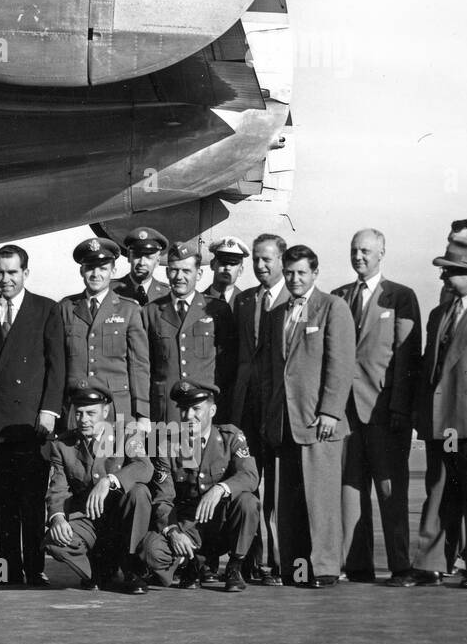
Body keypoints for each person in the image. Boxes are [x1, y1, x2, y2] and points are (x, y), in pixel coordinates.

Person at [406, 235, 467, 588]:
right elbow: (429, 366)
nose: (443, 278)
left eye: (449, 272)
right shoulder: (440, 313)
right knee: (439, 490)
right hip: (443, 422)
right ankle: (430, 563)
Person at [331, 229, 421, 584]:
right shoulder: (339, 297)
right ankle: (357, 566)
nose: (359, 257)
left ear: (382, 253)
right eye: (354, 251)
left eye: (366, 251)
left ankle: (401, 566)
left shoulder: (400, 297)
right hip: (346, 413)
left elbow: (406, 357)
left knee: (389, 490)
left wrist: (401, 408)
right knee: (350, 491)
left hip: (384, 411)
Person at [263, 244, 356, 588]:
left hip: (319, 421)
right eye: (289, 273)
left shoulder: (332, 307)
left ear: (315, 273)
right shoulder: (277, 314)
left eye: (302, 273)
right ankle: (297, 569)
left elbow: (341, 364)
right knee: (288, 503)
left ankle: (325, 569)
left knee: (321, 500)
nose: (295, 279)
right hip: (285, 422)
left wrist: (330, 411)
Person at [0, 244, 65, 589]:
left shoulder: (46, 309)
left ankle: (35, 570)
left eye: (12, 272)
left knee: (32, 503)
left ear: (26, 273)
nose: (5, 279)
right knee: (3, 506)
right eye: (0, 272)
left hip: (33, 423)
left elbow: (57, 366)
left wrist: (50, 410)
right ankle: (4, 571)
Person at [141, 382, 259, 592]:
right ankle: (189, 564)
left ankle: (235, 566)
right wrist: (174, 532)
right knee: (152, 551)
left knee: (248, 502)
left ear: (212, 410)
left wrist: (220, 488)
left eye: (196, 409)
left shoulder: (230, 437)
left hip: (223, 524)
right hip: (189, 526)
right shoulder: (167, 445)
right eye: (184, 409)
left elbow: (249, 475)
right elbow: (162, 498)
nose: (188, 416)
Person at [44, 379, 154, 593]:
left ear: (105, 412)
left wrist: (110, 480)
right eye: (79, 413)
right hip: (88, 522)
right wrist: (57, 518)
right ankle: (99, 570)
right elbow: (58, 488)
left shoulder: (127, 433)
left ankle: (131, 567)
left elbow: (144, 466)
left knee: (140, 492)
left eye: (90, 413)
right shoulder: (62, 446)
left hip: (121, 520)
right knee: (54, 540)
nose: (83, 420)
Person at [231, 232, 290, 584]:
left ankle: (278, 562)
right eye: (255, 258)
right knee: (250, 484)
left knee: (278, 489)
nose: (260, 265)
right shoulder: (245, 301)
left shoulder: (292, 299)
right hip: (247, 408)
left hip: (279, 408)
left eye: (267, 259)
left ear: (282, 260)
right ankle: (251, 559)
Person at [142, 241, 236, 426]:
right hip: (166, 408)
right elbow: (144, 365)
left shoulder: (218, 310)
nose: (179, 277)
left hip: (205, 410)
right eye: (174, 270)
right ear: (167, 273)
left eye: (186, 271)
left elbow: (228, 365)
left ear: (199, 274)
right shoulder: (150, 311)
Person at [59, 237, 149, 427]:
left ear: (113, 271)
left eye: (103, 268)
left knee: (115, 455)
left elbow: (139, 365)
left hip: (116, 408)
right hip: (76, 408)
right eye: (90, 267)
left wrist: (142, 414)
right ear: (81, 270)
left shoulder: (129, 310)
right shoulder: (66, 308)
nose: (96, 274)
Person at [111, 227, 170, 304]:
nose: (142, 263)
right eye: (137, 256)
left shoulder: (167, 294)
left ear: (157, 261)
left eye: (148, 257)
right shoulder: (110, 290)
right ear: (129, 257)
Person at [204, 236, 249, 305]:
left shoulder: (247, 304)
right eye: (223, 262)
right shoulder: (195, 301)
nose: (227, 268)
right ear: (212, 265)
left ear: (240, 271)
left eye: (233, 264)